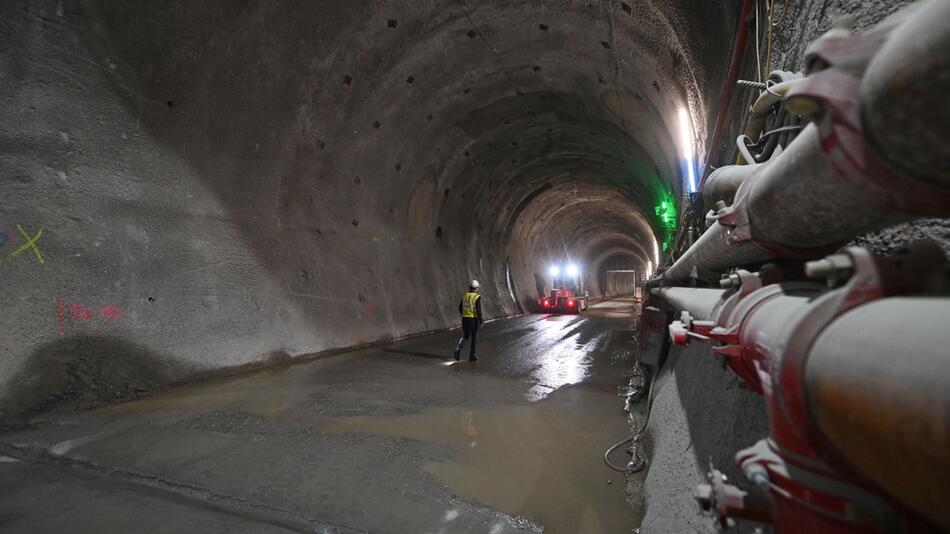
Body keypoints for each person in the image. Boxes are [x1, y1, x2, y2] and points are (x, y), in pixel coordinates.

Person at [454, 279, 483, 361]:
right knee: (474, 337)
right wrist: (481, 320)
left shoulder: (464, 295)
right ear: (476, 288)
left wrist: (464, 314)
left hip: (465, 319)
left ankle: (458, 350)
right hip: (473, 320)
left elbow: (460, 308)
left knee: (465, 336)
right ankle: (472, 355)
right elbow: (478, 310)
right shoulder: (477, 297)